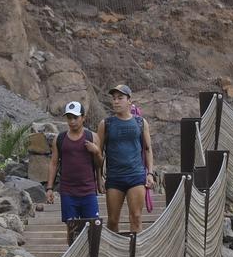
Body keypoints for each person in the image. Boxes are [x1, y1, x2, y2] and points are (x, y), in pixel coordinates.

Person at [99, 84, 154, 233]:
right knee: (112, 220)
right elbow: (99, 153)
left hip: (136, 176)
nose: (116, 101)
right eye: (114, 98)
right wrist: (99, 177)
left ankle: (136, 254)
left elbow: (148, 149)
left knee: (136, 217)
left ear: (129, 100)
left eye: (120, 98)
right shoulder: (106, 124)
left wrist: (150, 173)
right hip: (114, 178)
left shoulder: (140, 122)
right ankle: (114, 254)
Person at [46, 101, 102, 239]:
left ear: (83, 117)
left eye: (75, 117)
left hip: (88, 190)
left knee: (93, 229)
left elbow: (99, 164)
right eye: (69, 117)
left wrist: (96, 152)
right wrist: (49, 188)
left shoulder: (92, 137)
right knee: (72, 230)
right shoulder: (60, 139)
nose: (72, 121)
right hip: (68, 192)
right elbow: (53, 163)